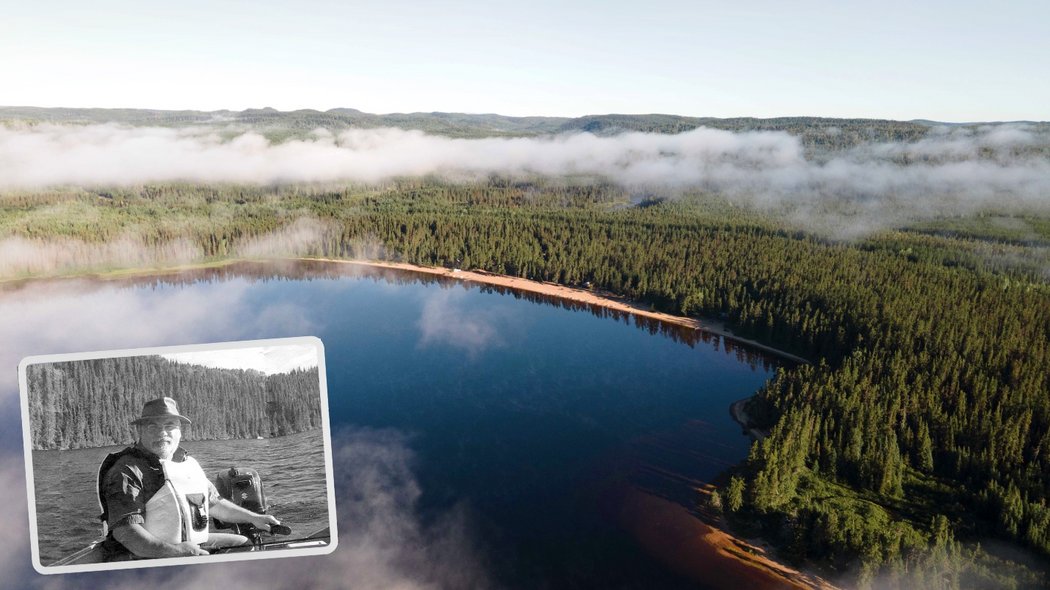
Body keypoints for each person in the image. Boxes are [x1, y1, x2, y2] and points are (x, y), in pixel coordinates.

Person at [97, 397, 280, 560]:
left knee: (244, 545)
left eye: (170, 426)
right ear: (140, 431)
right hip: (140, 556)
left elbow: (213, 503)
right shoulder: (127, 471)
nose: (163, 433)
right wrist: (174, 552)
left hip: (187, 547)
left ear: (180, 431)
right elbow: (126, 533)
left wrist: (255, 518)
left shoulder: (187, 463)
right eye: (153, 427)